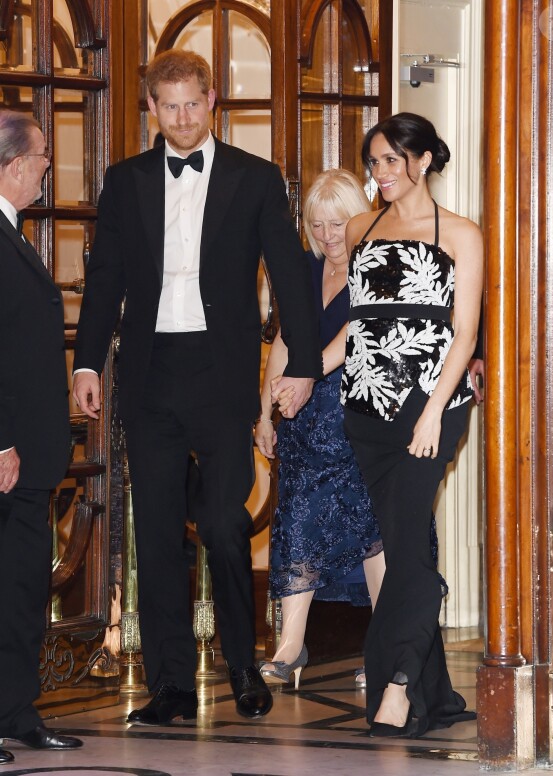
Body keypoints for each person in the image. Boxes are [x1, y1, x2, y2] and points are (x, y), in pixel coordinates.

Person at [72, 50, 322, 724]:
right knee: (154, 534)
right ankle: (172, 685)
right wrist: (88, 363)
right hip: (150, 378)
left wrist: (302, 367)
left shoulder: (255, 178)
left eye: (192, 103)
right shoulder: (124, 182)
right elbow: (106, 281)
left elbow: (290, 275)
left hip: (221, 377)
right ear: (152, 107)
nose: (181, 117)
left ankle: (242, 664)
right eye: (168, 105)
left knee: (222, 522)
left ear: (212, 100)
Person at [340, 113, 483, 737]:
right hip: (366, 408)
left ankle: (397, 683)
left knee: (406, 551)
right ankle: (437, 694)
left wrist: (431, 412)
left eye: (393, 161)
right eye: (374, 163)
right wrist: (301, 374)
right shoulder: (356, 229)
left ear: (423, 161)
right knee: (405, 544)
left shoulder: (460, 233)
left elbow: (465, 333)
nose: (382, 174)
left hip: (433, 410)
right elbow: (357, 325)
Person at [255, 170, 385, 688]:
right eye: (318, 223)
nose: (330, 234)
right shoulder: (305, 270)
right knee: (297, 523)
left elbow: (355, 339)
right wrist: (264, 410)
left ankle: (386, 644)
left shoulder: (377, 269)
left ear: (358, 219)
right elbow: (288, 340)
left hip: (360, 413)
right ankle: (291, 644)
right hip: (304, 416)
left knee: (372, 531)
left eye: (339, 222)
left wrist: (306, 376)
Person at [0, 110, 83, 764]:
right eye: (44, 157)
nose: (49, 166)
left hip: (28, 460)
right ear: (15, 165)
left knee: (22, 586)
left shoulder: (14, 233)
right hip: (7, 455)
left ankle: (15, 710)